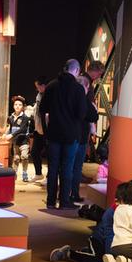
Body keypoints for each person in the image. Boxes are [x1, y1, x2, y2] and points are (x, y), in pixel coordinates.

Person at [40, 59, 88, 209]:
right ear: (76, 70)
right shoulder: (78, 89)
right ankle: (64, 201)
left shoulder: (51, 86)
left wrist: (46, 131)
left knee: (53, 167)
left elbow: (42, 109)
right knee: (67, 168)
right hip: (71, 135)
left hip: (53, 133)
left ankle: (50, 201)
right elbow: (81, 114)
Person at [48, 182, 128, 262]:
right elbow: (109, 234)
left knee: (103, 258)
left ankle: (88, 251)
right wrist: (110, 255)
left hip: (108, 242)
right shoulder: (113, 213)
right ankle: (68, 253)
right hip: (98, 239)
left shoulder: (125, 211)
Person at [71, 75, 99, 202]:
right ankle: (74, 194)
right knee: (77, 168)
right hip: (80, 138)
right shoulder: (84, 100)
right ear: (85, 87)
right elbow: (93, 116)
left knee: (66, 167)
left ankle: (63, 195)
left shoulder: (68, 97)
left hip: (66, 137)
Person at [3, 95, 30, 182]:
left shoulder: (25, 117)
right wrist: (5, 134)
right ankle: (14, 174)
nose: (17, 106)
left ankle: (25, 172)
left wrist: (11, 135)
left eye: (20, 105)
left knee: (24, 156)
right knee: (16, 158)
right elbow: (10, 127)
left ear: (23, 107)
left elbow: (22, 129)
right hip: (15, 142)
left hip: (24, 141)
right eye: (16, 104)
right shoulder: (10, 117)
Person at [30, 76, 48, 182]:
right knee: (34, 152)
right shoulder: (39, 95)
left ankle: (49, 177)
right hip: (38, 128)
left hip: (47, 129)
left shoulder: (49, 95)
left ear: (43, 85)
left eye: (38, 86)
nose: (37, 89)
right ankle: (38, 173)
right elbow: (37, 110)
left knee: (50, 154)